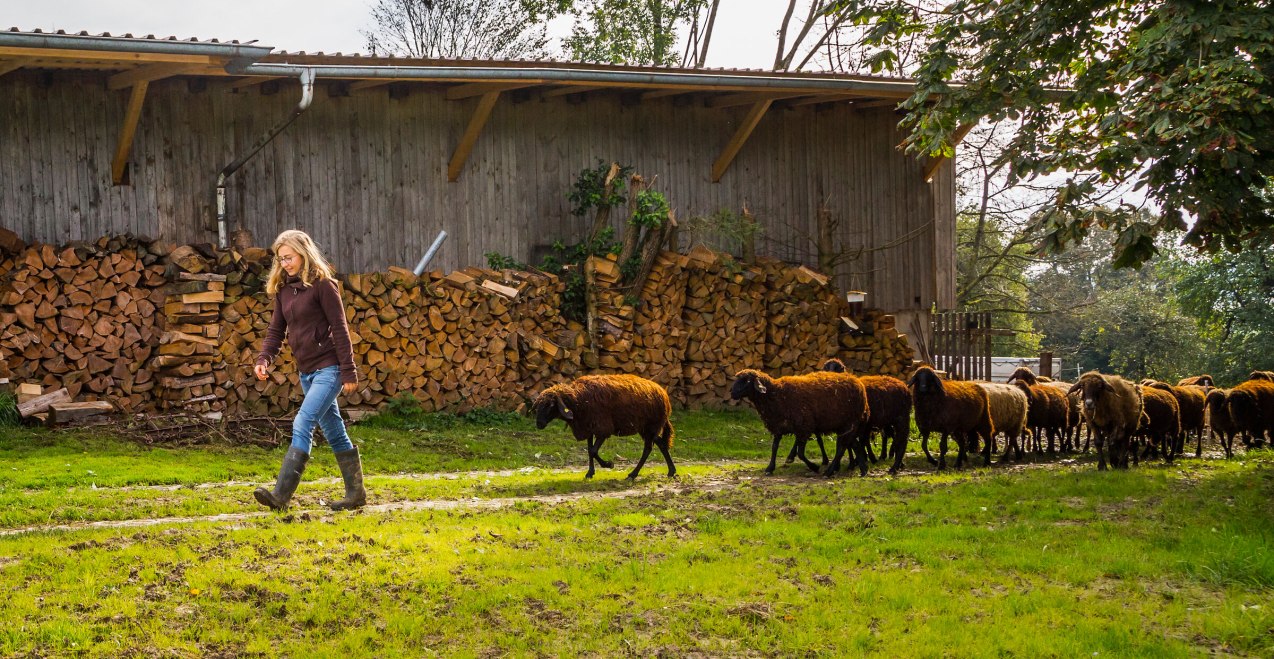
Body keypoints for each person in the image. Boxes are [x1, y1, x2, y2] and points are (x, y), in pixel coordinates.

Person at [252, 229, 365, 511]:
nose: (285, 264)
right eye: (280, 259)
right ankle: (356, 495)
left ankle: (281, 496)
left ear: (303, 254)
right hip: (307, 372)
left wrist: (348, 371)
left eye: (289, 258)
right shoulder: (283, 290)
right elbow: (276, 330)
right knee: (334, 430)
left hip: (329, 369)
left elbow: (340, 329)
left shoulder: (324, 286)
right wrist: (264, 358)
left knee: (303, 422)